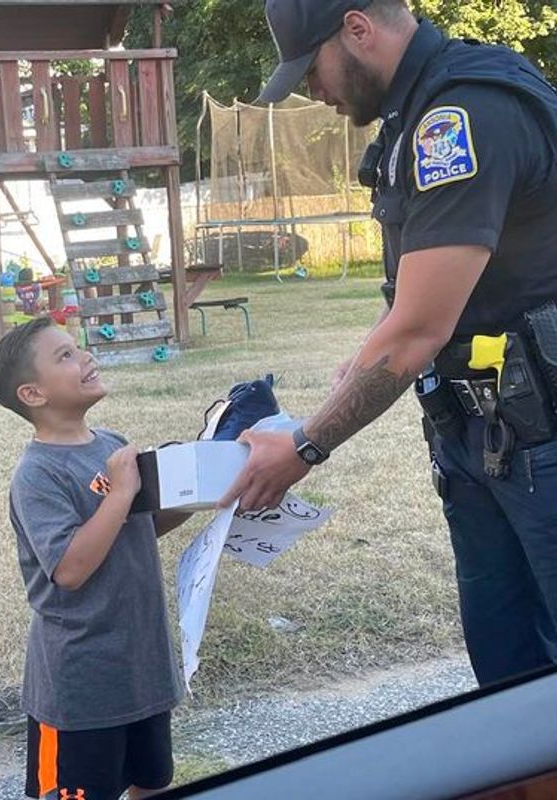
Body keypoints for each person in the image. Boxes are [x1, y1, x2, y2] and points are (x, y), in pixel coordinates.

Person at [219, 0, 557, 687]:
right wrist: (366, 353)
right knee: (508, 679)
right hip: (484, 437)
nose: (313, 91)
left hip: (541, 442)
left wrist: (305, 447)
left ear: (358, 29)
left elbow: (417, 333)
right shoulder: (416, 117)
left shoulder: (464, 117)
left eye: (310, 69)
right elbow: (421, 303)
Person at [0, 316, 189, 800]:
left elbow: (138, 530)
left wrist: (195, 496)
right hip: (78, 691)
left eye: (78, 348)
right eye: (65, 356)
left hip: (141, 669)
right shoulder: (37, 475)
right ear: (33, 394)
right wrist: (120, 492)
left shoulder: (112, 445)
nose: (86, 357)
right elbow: (71, 569)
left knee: (152, 782)